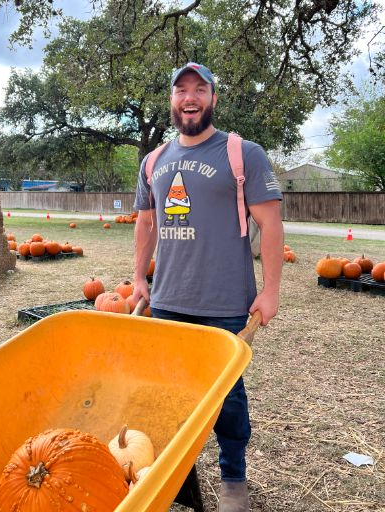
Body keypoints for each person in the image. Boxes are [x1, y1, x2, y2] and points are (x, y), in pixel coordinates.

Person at [132, 62, 284, 512]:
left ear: (213, 98)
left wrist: (271, 291)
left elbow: (271, 225)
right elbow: (146, 222)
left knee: (227, 398)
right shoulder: (154, 161)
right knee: (169, 394)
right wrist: (140, 277)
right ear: (172, 101)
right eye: (181, 90)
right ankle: (174, 474)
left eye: (200, 89)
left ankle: (233, 478)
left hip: (226, 303)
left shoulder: (243, 154)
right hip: (167, 303)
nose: (190, 97)